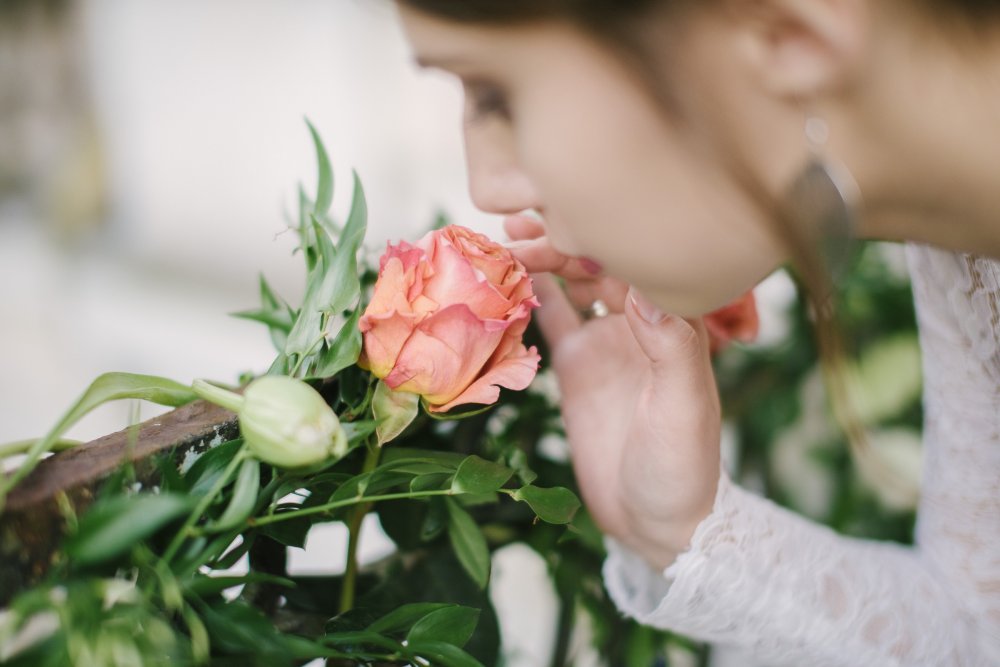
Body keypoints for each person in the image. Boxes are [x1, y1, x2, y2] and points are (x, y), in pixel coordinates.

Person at [393, 1, 1000, 664]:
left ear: (785, 29)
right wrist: (680, 531)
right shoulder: (962, 247)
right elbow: (979, 630)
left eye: (493, 95)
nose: (490, 189)